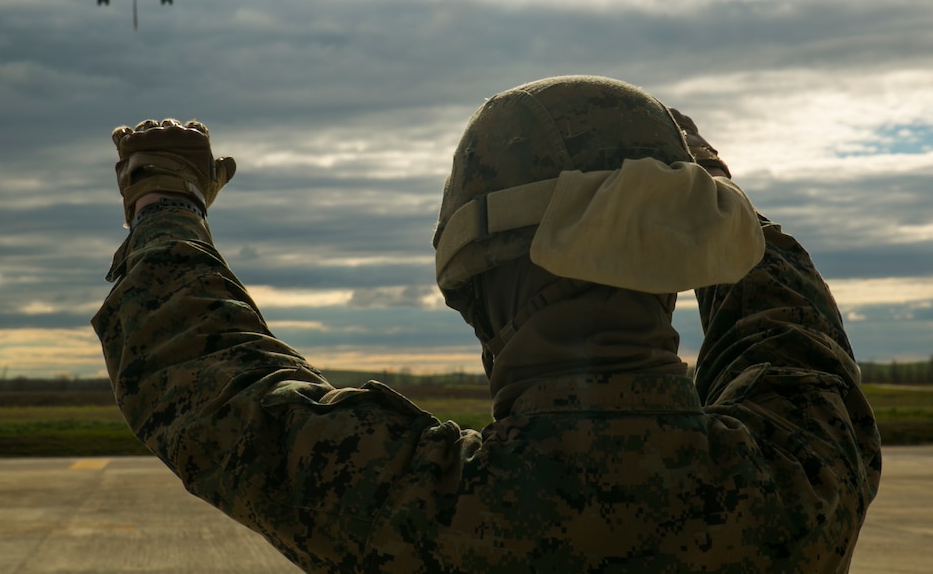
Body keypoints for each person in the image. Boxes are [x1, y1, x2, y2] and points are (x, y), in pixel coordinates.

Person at [92, 75, 880, 573]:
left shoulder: (420, 509)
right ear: (682, 256)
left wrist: (166, 203)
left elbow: (204, 375)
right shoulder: (799, 482)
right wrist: (698, 185)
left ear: (473, 279)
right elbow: (789, 330)